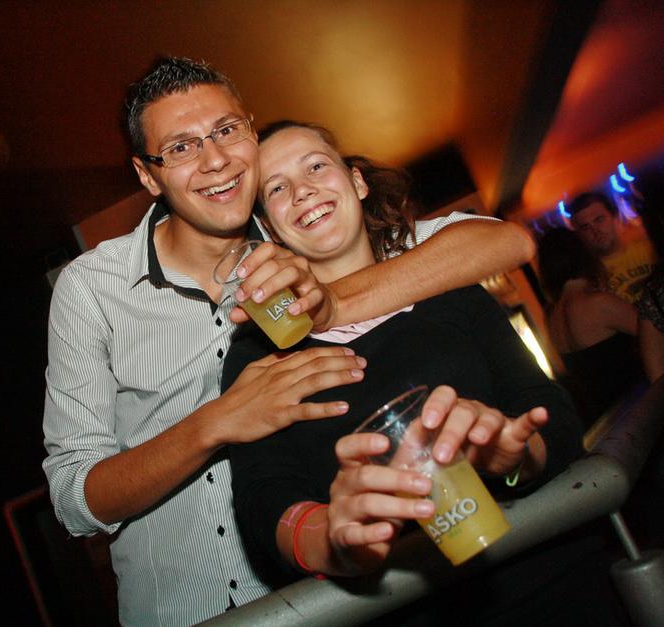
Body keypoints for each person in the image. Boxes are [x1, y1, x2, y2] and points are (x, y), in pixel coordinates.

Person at [42, 58, 535, 626]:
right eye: (180, 147)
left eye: (227, 130)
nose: (215, 159)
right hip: (179, 611)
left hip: (319, 599)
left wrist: (332, 302)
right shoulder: (93, 289)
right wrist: (215, 423)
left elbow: (500, 244)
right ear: (148, 175)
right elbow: (75, 499)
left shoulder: (298, 228)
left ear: (251, 132)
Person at [225, 121, 623, 624]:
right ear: (269, 225)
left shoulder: (449, 289)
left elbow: (552, 416)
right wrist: (331, 535)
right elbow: (264, 500)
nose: (302, 190)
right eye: (277, 188)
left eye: (316, 166)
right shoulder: (258, 351)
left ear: (357, 182)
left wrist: (514, 453)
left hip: (559, 581)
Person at [537, 227, 645, 427]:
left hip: (605, 418)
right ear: (583, 254)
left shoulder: (551, 315)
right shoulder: (598, 303)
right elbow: (655, 332)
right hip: (638, 407)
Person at [569, 191, 658, 304]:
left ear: (615, 218)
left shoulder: (651, 248)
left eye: (599, 220)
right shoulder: (590, 279)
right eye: (586, 227)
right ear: (579, 235)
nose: (595, 230)